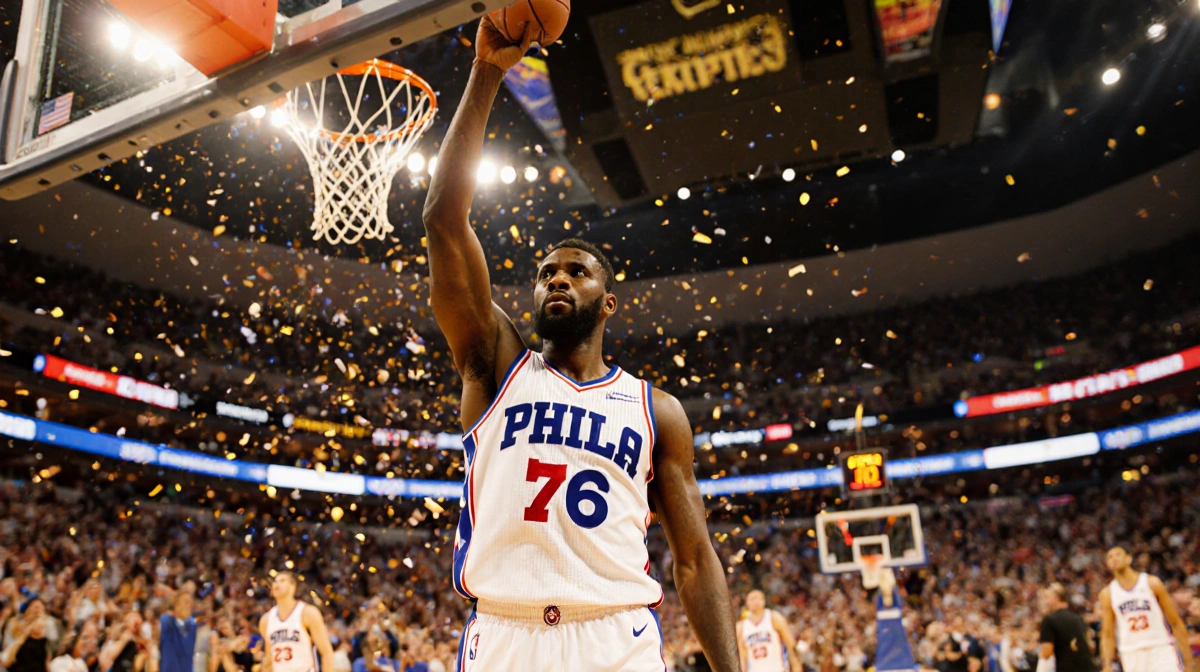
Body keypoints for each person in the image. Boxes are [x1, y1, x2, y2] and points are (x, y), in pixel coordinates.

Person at [420, 8, 739, 672]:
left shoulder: (658, 411)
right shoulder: (494, 362)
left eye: (576, 271)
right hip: (505, 636)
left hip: (615, 635)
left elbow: (694, 559)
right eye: (544, 274)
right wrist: (485, 72)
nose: (556, 279)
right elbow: (443, 217)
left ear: (608, 301)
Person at [1099, 546, 1193, 672]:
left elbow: (1175, 621)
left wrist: (1188, 659)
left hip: (1159, 647)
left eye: (1118, 554)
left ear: (1129, 559)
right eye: (1109, 557)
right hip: (1131, 652)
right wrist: (1106, 665)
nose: (1114, 559)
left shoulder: (1152, 583)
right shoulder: (1108, 594)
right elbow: (1107, 633)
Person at [259, 572, 334, 672]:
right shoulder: (266, 620)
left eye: (282, 580)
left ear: (293, 587)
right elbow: (269, 659)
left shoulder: (308, 613)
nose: (277, 584)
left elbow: (327, 653)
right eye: (275, 581)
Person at [736, 590, 801, 672]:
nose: (754, 601)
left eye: (757, 598)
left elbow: (791, 645)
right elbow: (742, 656)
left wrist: (796, 667)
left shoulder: (774, 617)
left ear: (763, 601)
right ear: (746, 603)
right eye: (751, 599)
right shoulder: (741, 627)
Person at [1037, 582, 1096, 672]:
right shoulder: (1078, 618)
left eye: (1047, 597)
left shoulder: (1049, 620)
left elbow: (1046, 652)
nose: (1045, 602)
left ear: (1055, 597)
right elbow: (1091, 647)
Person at [2, 597, 52, 672]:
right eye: (35, 607)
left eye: (41, 608)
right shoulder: (15, 623)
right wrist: (28, 627)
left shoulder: (45, 637)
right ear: (27, 611)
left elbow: (47, 660)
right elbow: (8, 657)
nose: (38, 610)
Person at [160, 589, 198, 672]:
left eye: (189, 603)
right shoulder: (166, 622)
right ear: (176, 605)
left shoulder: (193, 626)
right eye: (185, 602)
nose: (188, 605)